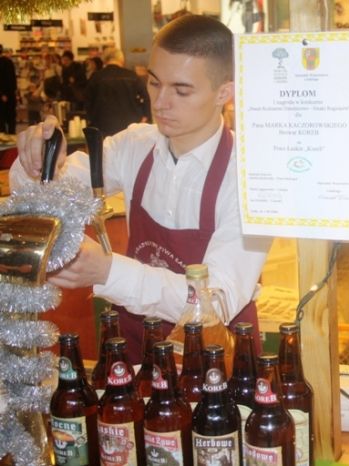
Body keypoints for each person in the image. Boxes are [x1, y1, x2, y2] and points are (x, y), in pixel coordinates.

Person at [11, 14, 271, 362]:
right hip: (138, 348)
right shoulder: (134, 146)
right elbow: (41, 193)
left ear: (224, 92)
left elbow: (216, 301)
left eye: (181, 90)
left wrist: (108, 271)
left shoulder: (252, 175)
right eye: (154, 83)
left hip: (214, 360)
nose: (160, 102)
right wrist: (37, 160)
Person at [85, 48, 151, 136]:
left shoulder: (96, 77)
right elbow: (146, 97)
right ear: (121, 59)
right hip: (130, 126)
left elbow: (88, 102)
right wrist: (145, 117)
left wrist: (92, 120)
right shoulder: (132, 76)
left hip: (104, 127)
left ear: (104, 60)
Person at [0, 44, 17, 134]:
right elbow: (13, 79)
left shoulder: (5, 63)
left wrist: (2, 94)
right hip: (10, 94)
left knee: (1, 119)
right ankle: (11, 136)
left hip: (3, 95)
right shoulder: (9, 62)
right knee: (11, 118)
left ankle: (3, 137)